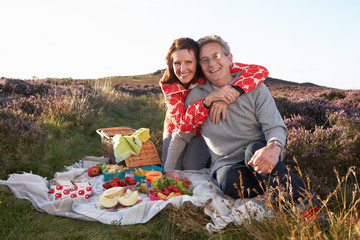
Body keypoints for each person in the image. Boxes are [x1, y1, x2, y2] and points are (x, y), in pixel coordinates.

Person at [165, 35, 322, 212]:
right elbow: (182, 133)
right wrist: (168, 170)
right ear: (201, 66)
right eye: (205, 60)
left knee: (253, 151)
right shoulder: (197, 97)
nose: (212, 64)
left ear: (229, 58)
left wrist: (274, 147)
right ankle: (277, 192)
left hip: (259, 153)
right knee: (228, 182)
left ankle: (307, 204)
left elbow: (275, 126)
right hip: (226, 163)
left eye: (216, 56)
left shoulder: (255, 87)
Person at [160, 37, 269, 172]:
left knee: (191, 167)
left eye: (189, 62)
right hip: (177, 125)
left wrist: (231, 93)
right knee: (169, 166)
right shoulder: (170, 85)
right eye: (177, 63)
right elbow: (182, 127)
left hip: (202, 128)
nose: (183, 69)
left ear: (197, 63)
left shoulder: (210, 69)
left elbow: (259, 71)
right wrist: (209, 100)